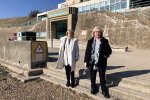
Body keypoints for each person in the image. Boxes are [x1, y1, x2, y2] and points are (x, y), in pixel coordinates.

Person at [84, 26, 112, 98]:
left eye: (99, 32)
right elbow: (87, 52)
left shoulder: (104, 41)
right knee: (92, 76)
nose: (97, 33)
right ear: (94, 33)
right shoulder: (90, 41)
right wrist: (86, 61)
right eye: (96, 32)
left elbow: (109, 50)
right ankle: (93, 88)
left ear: (101, 33)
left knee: (102, 76)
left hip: (101, 62)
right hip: (92, 61)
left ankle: (104, 90)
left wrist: (106, 56)